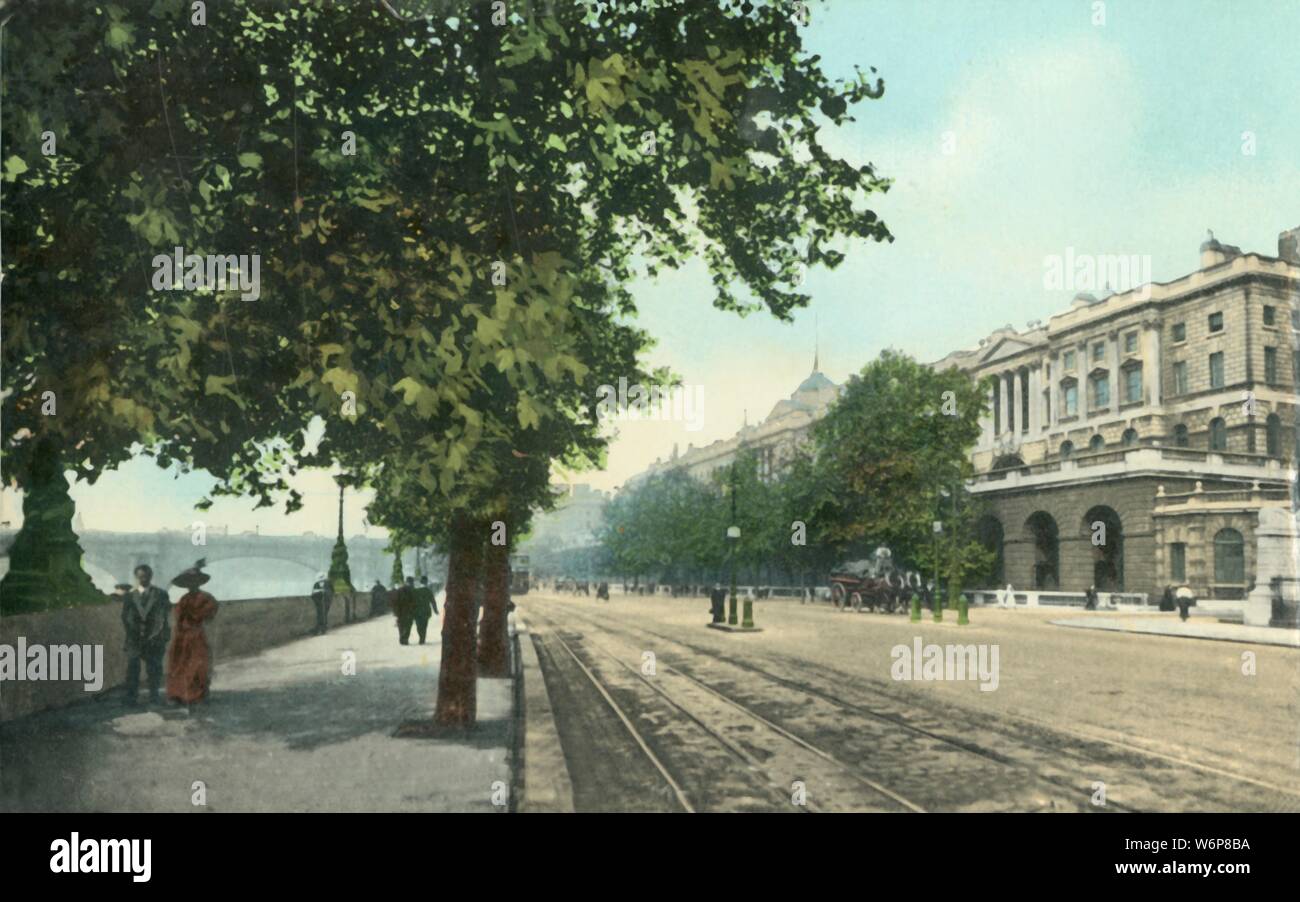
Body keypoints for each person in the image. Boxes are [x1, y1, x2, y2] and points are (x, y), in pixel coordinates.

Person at [166, 559, 219, 707]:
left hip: (196, 635)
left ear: (198, 582)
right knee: (179, 664)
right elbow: (178, 616)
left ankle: (198, 695)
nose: (191, 585)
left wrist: (195, 616)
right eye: (189, 582)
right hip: (182, 636)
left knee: (198, 665)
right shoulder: (183, 599)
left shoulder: (206, 598)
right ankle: (178, 694)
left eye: (194, 581)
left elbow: (210, 612)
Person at [122, 565, 171, 706]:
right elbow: (125, 617)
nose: (143, 579)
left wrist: (158, 635)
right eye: (140, 576)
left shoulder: (161, 594)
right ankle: (131, 698)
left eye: (146, 576)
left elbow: (163, 616)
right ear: (136, 577)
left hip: (154, 638)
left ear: (151, 576)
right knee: (132, 669)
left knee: (154, 669)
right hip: (135, 639)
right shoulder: (130, 596)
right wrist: (134, 632)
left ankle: (154, 697)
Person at [392, 577, 417, 645]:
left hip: (400, 612)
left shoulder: (399, 590)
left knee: (401, 625)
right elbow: (415, 602)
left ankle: (402, 638)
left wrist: (395, 612)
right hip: (409, 611)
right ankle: (405, 639)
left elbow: (395, 602)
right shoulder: (413, 590)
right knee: (408, 626)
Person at [413, 576, 437, 645]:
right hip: (426, 611)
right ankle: (422, 638)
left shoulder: (416, 591)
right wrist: (435, 610)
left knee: (418, 626)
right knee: (424, 625)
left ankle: (421, 637)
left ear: (420, 582)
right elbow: (433, 601)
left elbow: (412, 602)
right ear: (426, 582)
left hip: (417, 611)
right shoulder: (428, 591)